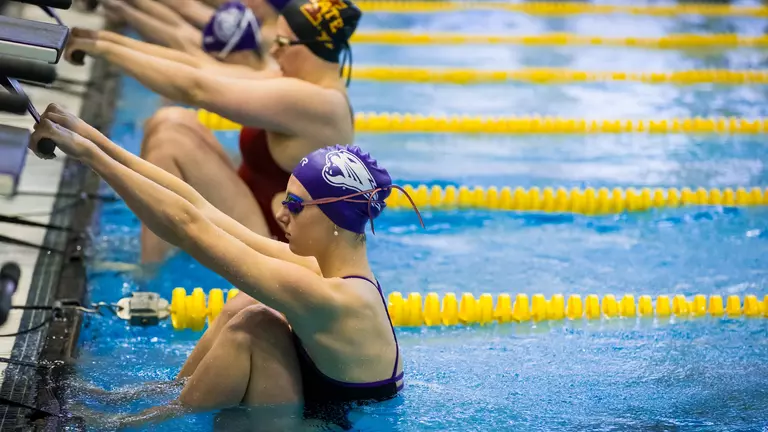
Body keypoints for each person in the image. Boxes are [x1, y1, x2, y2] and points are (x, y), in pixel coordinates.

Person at [29, 103, 424, 429]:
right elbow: (202, 210)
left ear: (335, 218)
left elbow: (189, 228)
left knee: (252, 328)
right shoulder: (326, 274)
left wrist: (88, 155)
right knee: (244, 306)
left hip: (324, 424)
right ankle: (161, 397)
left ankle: (143, 421)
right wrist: (89, 138)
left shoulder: (337, 300)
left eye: (295, 206)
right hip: (313, 416)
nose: (282, 214)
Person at [64, 0, 361, 264]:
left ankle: (148, 273)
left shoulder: (319, 103)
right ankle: (164, 248)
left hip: (276, 242)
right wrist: (104, 41)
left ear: (311, 48)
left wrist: (101, 47)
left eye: (282, 42)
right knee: (172, 120)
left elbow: (196, 88)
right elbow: (201, 66)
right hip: (254, 209)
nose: (273, 50)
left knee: (170, 139)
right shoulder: (299, 83)